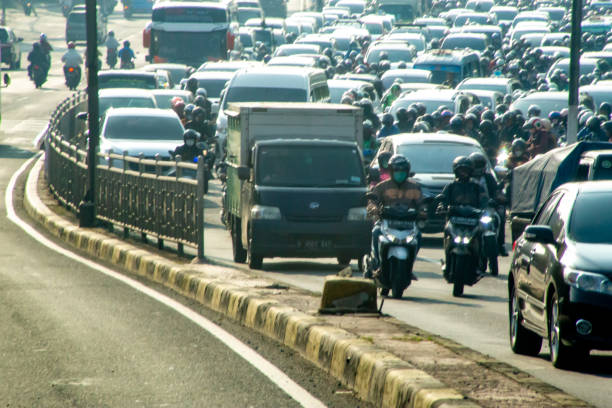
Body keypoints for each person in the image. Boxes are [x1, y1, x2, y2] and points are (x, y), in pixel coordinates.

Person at [367, 155, 424, 277]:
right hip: (386, 221)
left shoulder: (415, 187)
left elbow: (422, 204)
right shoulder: (382, 186)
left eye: (402, 171)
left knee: (418, 236)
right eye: (397, 171)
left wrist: (423, 212)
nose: (400, 174)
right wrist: (374, 209)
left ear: (407, 172)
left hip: (408, 224)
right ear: (391, 171)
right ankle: (377, 263)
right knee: (376, 232)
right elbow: (372, 202)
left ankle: (409, 266)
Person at [437, 156, 488, 277]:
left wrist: (487, 207)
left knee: (481, 236)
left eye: (466, 170)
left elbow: (484, 201)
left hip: (472, 221)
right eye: (461, 170)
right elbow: (443, 200)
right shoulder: (450, 186)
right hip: (454, 221)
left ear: (471, 171)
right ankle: (447, 262)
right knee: (447, 232)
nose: (464, 173)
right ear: (456, 171)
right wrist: (441, 207)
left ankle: (478, 264)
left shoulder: (477, 187)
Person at [469, 152, 507, 256]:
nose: (477, 167)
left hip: (486, 207)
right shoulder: (466, 178)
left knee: (500, 215)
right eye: (475, 164)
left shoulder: (489, 178)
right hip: (471, 208)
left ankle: (501, 244)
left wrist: (499, 198)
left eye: (480, 164)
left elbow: (496, 191)